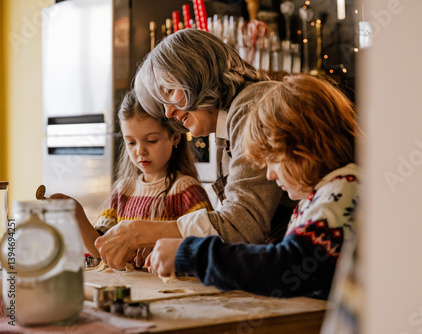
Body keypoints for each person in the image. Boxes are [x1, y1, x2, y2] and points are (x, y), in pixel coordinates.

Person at [95, 28, 297, 269]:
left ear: (197, 74)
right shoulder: (226, 130)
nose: (168, 112)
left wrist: (144, 231)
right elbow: (230, 232)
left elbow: (242, 226)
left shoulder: (251, 107)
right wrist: (171, 239)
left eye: (170, 92)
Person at [145, 74, 360, 299]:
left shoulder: (344, 189)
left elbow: (284, 267)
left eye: (273, 159)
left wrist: (190, 254)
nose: (270, 174)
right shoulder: (319, 198)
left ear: (305, 145)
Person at [51, 90, 213, 266]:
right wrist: (77, 213)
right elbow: (101, 248)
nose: (140, 151)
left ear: (174, 137)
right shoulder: (124, 190)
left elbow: (210, 247)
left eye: (151, 140)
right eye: (131, 142)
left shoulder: (186, 191)